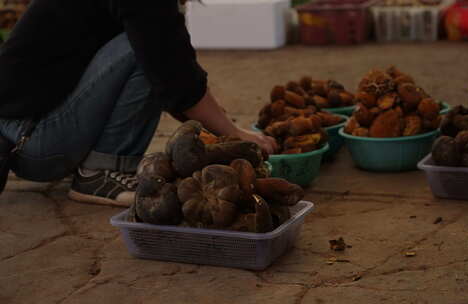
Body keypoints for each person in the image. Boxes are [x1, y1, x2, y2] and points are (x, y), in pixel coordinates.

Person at [0, 0, 277, 207]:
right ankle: (102, 172)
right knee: (145, 49)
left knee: (153, 45)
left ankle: (93, 163)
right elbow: (173, 74)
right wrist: (235, 134)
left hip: (22, 135)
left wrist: (222, 126)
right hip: (35, 140)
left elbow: (179, 80)